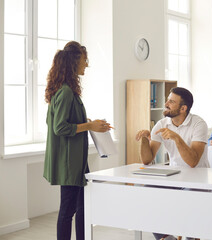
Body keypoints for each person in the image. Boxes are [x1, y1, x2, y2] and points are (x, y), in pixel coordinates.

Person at [43, 41, 111, 240]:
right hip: (69, 162)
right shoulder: (65, 92)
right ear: (74, 62)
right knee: (68, 211)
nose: (86, 64)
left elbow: (63, 121)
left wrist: (89, 122)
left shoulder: (66, 90)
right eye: (84, 60)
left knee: (83, 208)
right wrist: (89, 126)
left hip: (76, 161)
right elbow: (59, 127)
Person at [136, 87, 208, 240]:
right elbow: (147, 160)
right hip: (174, 176)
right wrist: (143, 139)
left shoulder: (198, 124)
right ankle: (167, 237)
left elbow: (193, 162)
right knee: (146, 193)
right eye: (168, 99)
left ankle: (191, 236)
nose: (166, 103)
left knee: (188, 200)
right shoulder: (162, 123)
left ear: (183, 108)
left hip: (198, 179)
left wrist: (177, 138)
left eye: (171, 101)